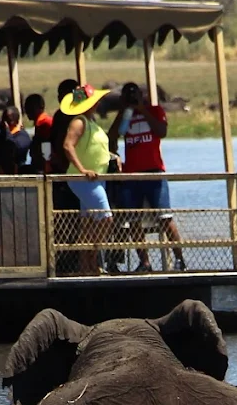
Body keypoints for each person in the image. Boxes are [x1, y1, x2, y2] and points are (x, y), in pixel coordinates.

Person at [109, 82, 184, 271]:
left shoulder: (155, 110)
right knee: (133, 220)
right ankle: (145, 262)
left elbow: (161, 131)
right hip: (132, 175)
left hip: (154, 172)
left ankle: (179, 259)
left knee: (165, 217)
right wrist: (124, 111)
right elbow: (112, 138)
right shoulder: (126, 116)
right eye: (128, 96)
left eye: (134, 95)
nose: (132, 99)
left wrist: (143, 109)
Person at [60, 83, 116, 275]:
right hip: (84, 180)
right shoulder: (79, 122)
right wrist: (82, 169)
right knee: (106, 218)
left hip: (97, 179)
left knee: (90, 222)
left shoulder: (93, 123)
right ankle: (90, 258)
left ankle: (86, 265)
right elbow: (68, 146)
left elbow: (95, 148)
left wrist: (112, 156)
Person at [24, 93, 51, 171]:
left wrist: (47, 164)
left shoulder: (44, 123)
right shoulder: (39, 123)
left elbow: (46, 145)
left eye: (30, 107)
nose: (27, 110)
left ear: (39, 107)